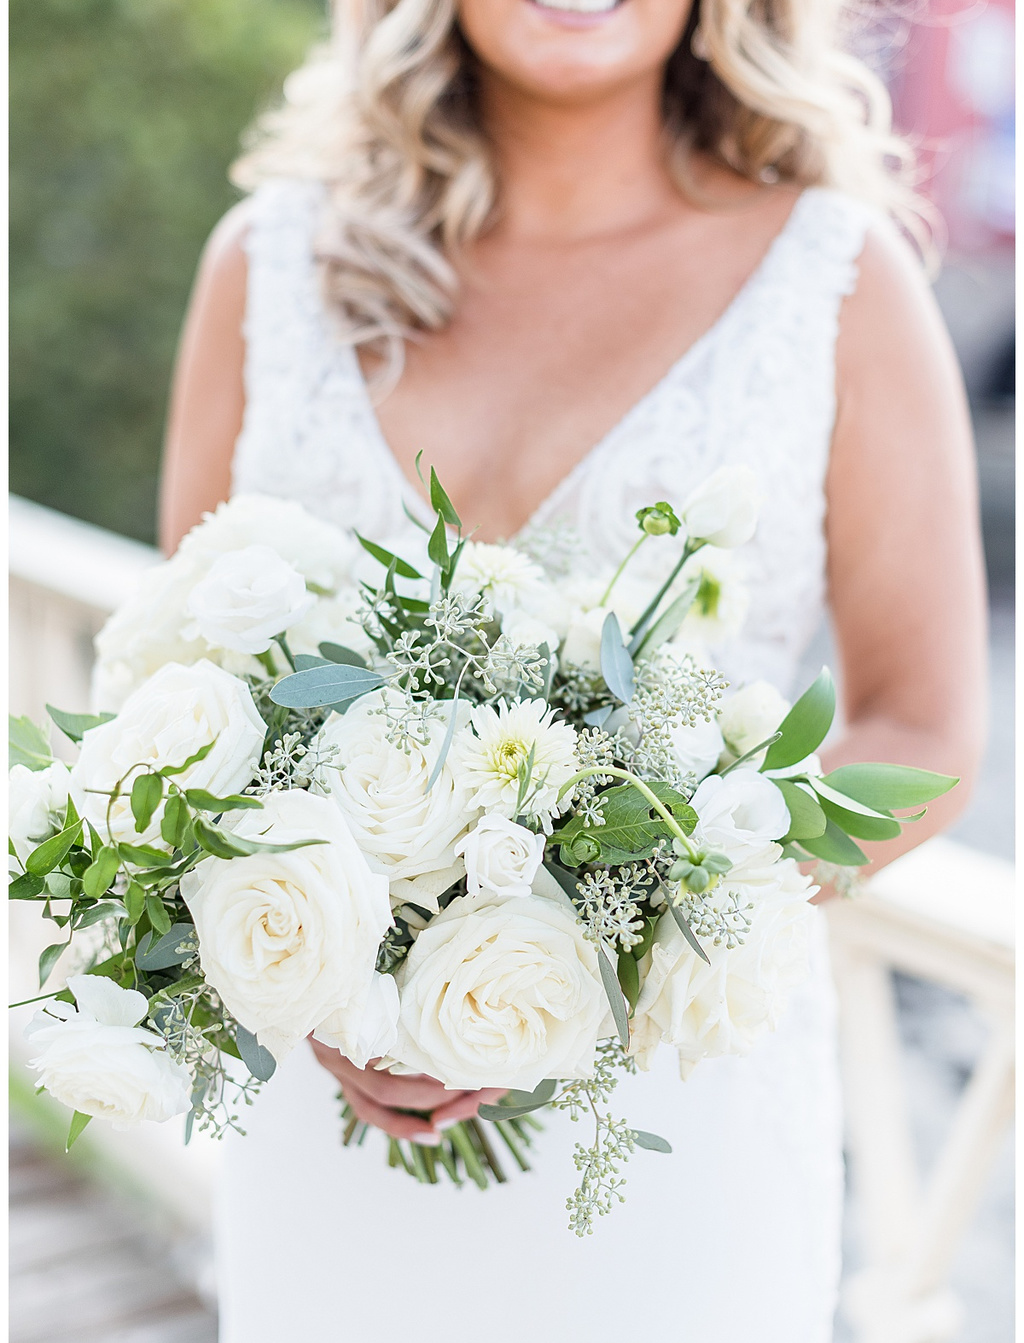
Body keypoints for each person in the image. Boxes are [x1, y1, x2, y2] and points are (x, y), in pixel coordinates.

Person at [159, 0, 987, 1336]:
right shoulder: (265, 267)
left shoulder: (836, 279)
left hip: (671, 1129)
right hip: (332, 1107)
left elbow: (926, 723)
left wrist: (605, 944)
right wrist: (302, 961)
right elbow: (190, 701)